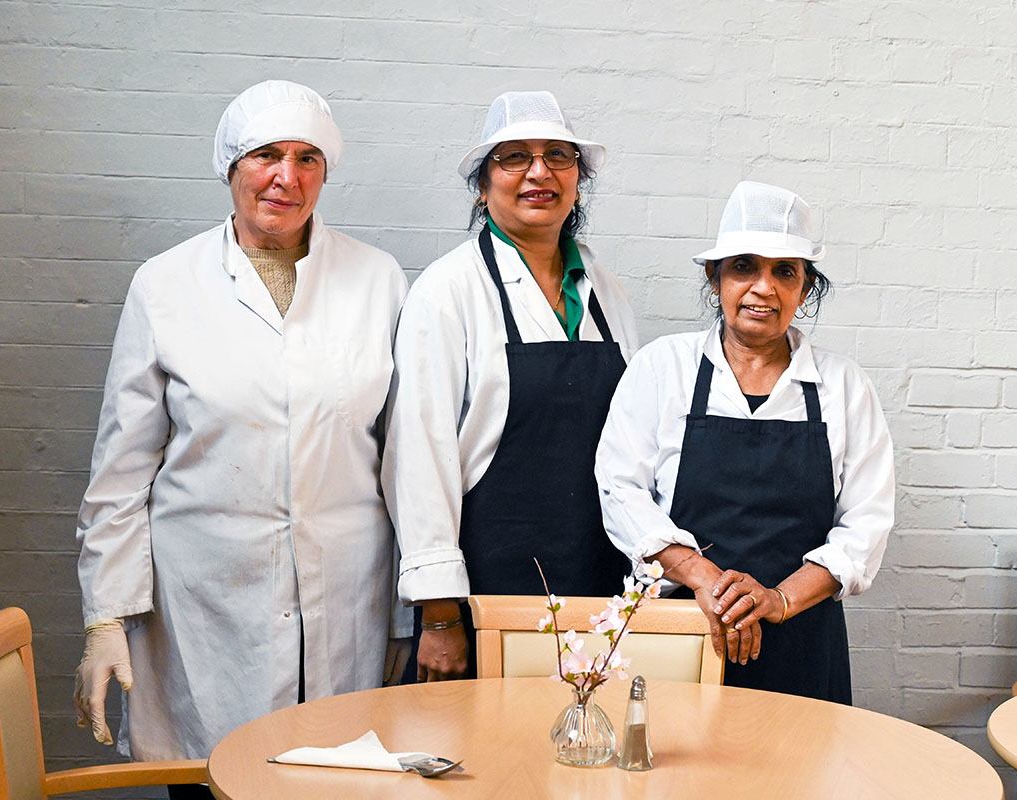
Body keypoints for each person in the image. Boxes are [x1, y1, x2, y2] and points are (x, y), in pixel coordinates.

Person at [73, 80, 412, 788]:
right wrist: (105, 616)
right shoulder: (165, 285)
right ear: (231, 167)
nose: (287, 177)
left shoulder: (378, 280)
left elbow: (405, 464)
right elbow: (121, 475)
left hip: (346, 599)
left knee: (331, 784)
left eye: (307, 158)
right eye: (266, 156)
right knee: (213, 778)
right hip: (205, 606)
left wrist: (410, 616)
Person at [595, 181, 894, 703]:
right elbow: (619, 488)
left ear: (805, 288)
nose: (763, 288)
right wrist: (705, 580)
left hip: (802, 638)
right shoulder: (662, 367)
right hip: (683, 635)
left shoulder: (844, 386)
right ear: (714, 279)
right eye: (743, 267)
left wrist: (777, 599)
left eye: (785, 272)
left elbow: (866, 524)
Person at [383, 91, 639, 682]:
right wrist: (440, 615)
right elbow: (419, 459)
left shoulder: (605, 289)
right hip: (485, 592)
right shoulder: (447, 291)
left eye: (558, 156)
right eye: (514, 157)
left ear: (578, 181)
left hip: (599, 583)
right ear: (483, 185)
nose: (539, 172)